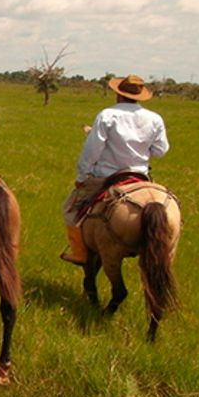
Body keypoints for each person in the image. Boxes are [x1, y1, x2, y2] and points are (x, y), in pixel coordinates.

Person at [60, 74, 168, 264]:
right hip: (140, 177)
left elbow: (92, 151)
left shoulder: (107, 115)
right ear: (139, 95)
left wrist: (82, 175)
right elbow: (161, 151)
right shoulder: (155, 119)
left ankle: (80, 253)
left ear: (118, 94)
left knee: (70, 208)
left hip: (107, 176)